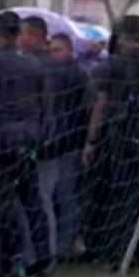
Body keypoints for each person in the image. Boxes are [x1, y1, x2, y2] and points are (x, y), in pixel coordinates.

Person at [0, 11, 52, 277]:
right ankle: (43, 258)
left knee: (1, 201)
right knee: (32, 202)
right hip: (28, 138)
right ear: (18, 33)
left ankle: (9, 259)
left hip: (1, 139)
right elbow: (43, 100)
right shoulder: (33, 63)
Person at [83, 17, 139, 263]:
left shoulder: (110, 65)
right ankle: (138, 251)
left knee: (111, 194)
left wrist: (91, 139)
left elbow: (100, 103)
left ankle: (110, 250)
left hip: (115, 137)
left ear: (122, 37)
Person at [39, 33, 91, 263]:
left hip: (69, 145)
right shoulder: (51, 74)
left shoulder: (78, 75)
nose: (53, 55)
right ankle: (55, 247)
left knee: (64, 197)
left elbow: (86, 110)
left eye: (57, 50)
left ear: (70, 50)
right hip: (55, 145)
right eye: (51, 50)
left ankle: (61, 247)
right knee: (54, 197)